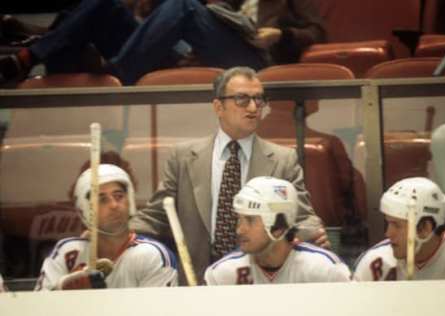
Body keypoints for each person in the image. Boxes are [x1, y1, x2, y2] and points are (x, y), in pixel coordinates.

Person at [129, 66, 329, 284]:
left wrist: (312, 233)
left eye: (259, 99)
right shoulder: (183, 157)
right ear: (218, 106)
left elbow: (303, 218)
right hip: (196, 282)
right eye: (242, 99)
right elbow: (157, 216)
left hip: (254, 281)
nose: (253, 107)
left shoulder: (283, 160)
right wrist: (113, 233)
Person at [0, 0, 326, 85]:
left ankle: (120, 75)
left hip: (251, 57)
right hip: (192, 52)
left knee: (182, 5)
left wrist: (280, 35)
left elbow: (318, 31)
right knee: (105, 6)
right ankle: (29, 55)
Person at [35, 163, 178, 290]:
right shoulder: (67, 253)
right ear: (83, 210)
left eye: (119, 196)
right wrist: (63, 290)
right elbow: (35, 309)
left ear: (130, 201)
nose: (114, 205)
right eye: (102, 200)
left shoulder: (152, 255)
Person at [204, 176, 351, 285]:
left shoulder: (325, 271)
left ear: (279, 226)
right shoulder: (220, 275)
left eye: (250, 220)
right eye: (239, 219)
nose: (239, 230)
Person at [353, 177, 445, 281]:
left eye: (396, 225)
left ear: (425, 228)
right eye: (388, 223)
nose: (388, 234)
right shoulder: (374, 262)